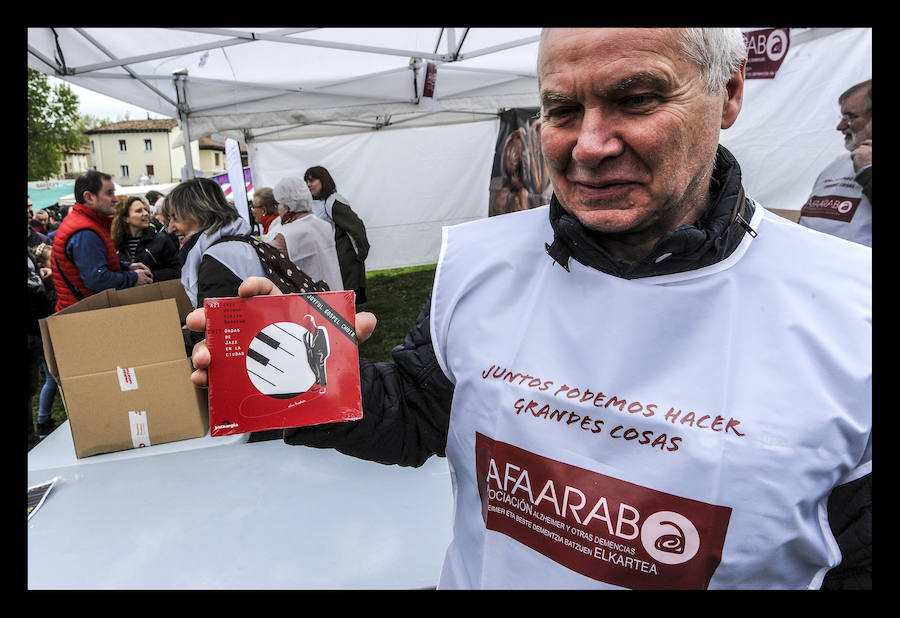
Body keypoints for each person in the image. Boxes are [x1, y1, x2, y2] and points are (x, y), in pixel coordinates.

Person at [187, 29, 871, 590]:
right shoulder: (479, 264)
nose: (590, 144)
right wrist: (301, 383)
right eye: (563, 110)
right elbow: (422, 414)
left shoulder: (852, 309)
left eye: (635, 99)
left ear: (728, 94)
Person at [51, 171, 154, 313]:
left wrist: (125, 267)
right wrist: (133, 277)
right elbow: (96, 278)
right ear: (89, 197)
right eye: (109, 193)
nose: (115, 199)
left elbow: (92, 265)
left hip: (84, 311)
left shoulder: (85, 224)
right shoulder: (85, 232)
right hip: (86, 315)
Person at [798, 80, 872, 246]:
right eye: (842, 117)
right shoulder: (837, 164)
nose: (840, 126)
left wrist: (868, 170)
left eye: (850, 117)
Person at [304, 166, 370, 304]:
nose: (309, 184)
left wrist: (361, 252)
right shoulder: (316, 203)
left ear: (323, 180)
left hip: (343, 258)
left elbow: (356, 227)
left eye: (312, 180)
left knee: (345, 297)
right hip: (330, 256)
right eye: (307, 181)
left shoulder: (333, 202)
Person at [269, 176, 343, 292]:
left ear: (287, 208)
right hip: (334, 291)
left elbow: (266, 259)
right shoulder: (323, 225)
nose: (277, 209)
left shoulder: (284, 235)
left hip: (311, 299)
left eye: (277, 204)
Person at [29, 242, 61, 437]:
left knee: (51, 378)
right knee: (51, 378)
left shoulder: (43, 282)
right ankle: (43, 420)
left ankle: (43, 419)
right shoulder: (44, 286)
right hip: (42, 336)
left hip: (41, 336)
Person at [111, 195, 182, 282]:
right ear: (126, 218)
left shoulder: (161, 240)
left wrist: (151, 275)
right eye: (139, 211)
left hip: (157, 292)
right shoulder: (115, 244)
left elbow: (177, 270)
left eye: (146, 210)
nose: (145, 213)